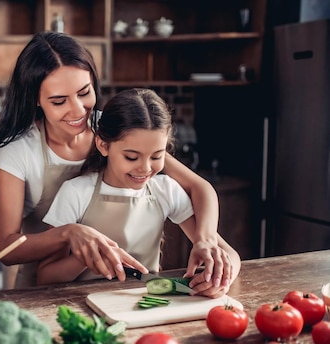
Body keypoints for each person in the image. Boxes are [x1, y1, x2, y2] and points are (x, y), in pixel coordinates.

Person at [0, 31, 232, 289]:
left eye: (84, 92)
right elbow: (7, 249)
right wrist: (69, 233)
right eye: (59, 101)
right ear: (36, 100)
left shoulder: (109, 129)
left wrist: (206, 239)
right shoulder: (20, 151)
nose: (78, 110)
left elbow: (198, 187)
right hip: (40, 288)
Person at [37, 88, 240, 297]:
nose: (144, 168)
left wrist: (220, 279)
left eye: (156, 157)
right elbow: (46, 277)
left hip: (144, 304)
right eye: (132, 157)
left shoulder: (166, 190)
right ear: (103, 145)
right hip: (83, 305)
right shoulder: (76, 193)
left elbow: (230, 255)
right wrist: (86, 257)